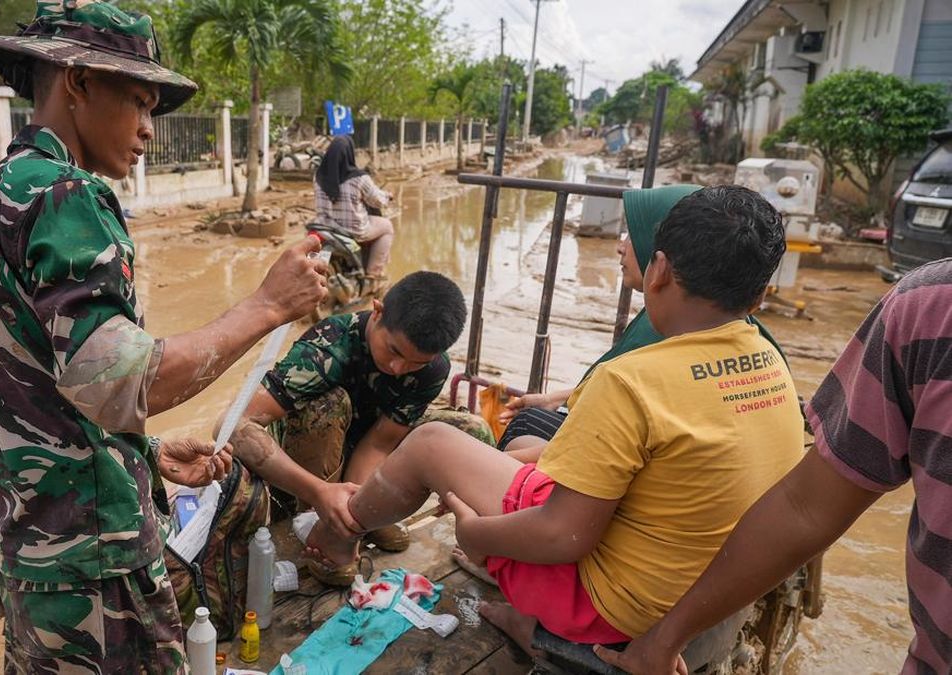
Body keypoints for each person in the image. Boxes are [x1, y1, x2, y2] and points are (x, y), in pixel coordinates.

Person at [0, 2, 326, 672]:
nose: (149, 128)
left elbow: (19, 393)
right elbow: (122, 382)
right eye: (139, 103)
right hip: (93, 562)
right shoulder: (64, 194)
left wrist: (142, 452)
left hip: (26, 549)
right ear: (78, 82)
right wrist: (268, 305)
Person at [302, 185, 804, 656]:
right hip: (691, 596)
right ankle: (528, 619)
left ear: (659, 271)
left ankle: (334, 542)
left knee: (431, 442)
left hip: (607, 609)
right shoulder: (773, 367)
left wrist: (477, 535)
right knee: (516, 458)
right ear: (758, 296)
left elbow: (564, 537)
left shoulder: (633, 379)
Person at [595, 258, 952, 675]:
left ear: (660, 268)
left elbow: (807, 506)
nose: (620, 248)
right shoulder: (926, 311)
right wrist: (665, 638)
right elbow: (804, 506)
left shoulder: (633, 367)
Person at [226, 271, 491, 584]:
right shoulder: (326, 348)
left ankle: (346, 514)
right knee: (328, 403)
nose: (398, 368)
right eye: (394, 350)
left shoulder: (433, 367)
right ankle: (313, 514)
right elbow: (232, 426)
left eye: (415, 363)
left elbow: (379, 443)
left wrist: (357, 515)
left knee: (471, 430)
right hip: (309, 460)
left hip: (365, 453)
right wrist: (320, 493)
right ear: (377, 311)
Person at [498, 184, 785, 453]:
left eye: (633, 233)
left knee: (523, 427)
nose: (621, 246)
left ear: (661, 261)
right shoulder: (757, 349)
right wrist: (554, 399)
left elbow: (608, 447)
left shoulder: (664, 334)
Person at [313, 135, 394, 284]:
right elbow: (377, 201)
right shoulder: (359, 178)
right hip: (353, 231)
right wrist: (387, 196)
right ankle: (373, 274)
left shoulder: (318, 176)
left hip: (324, 228)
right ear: (350, 154)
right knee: (387, 227)